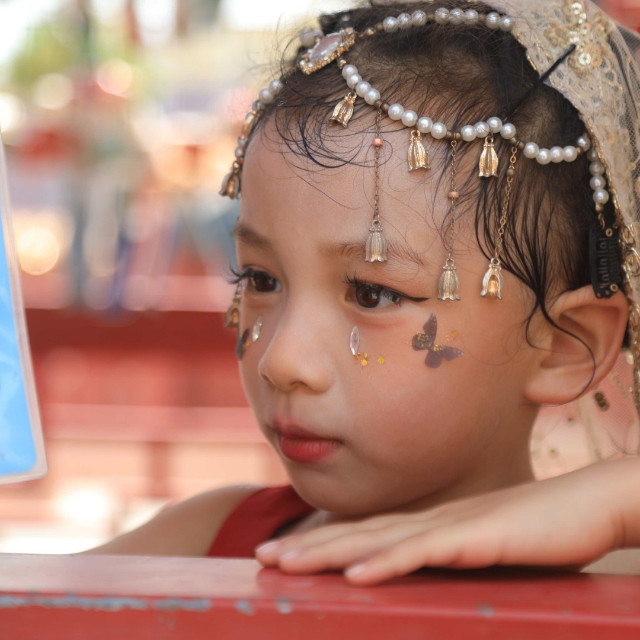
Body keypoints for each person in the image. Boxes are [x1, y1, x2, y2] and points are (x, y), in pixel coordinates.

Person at [91, 0, 640, 583]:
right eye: (261, 280)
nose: (282, 362)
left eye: (372, 294)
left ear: (563, 346)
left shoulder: (619, 581)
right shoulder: (206, 540)